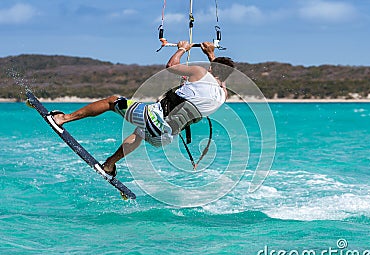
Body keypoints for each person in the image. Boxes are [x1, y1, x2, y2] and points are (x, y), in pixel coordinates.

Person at [51, 41, 235, 177]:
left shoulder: (201, 73)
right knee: (139, 133)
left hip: (154, 118)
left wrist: (182, 49)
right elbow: (221, 79)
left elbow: (171, 66)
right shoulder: (222, 96)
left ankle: (63, 119)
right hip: (164, 137)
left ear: (211, 67)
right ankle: (109, 165)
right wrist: (211, 54)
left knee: (112, 101)